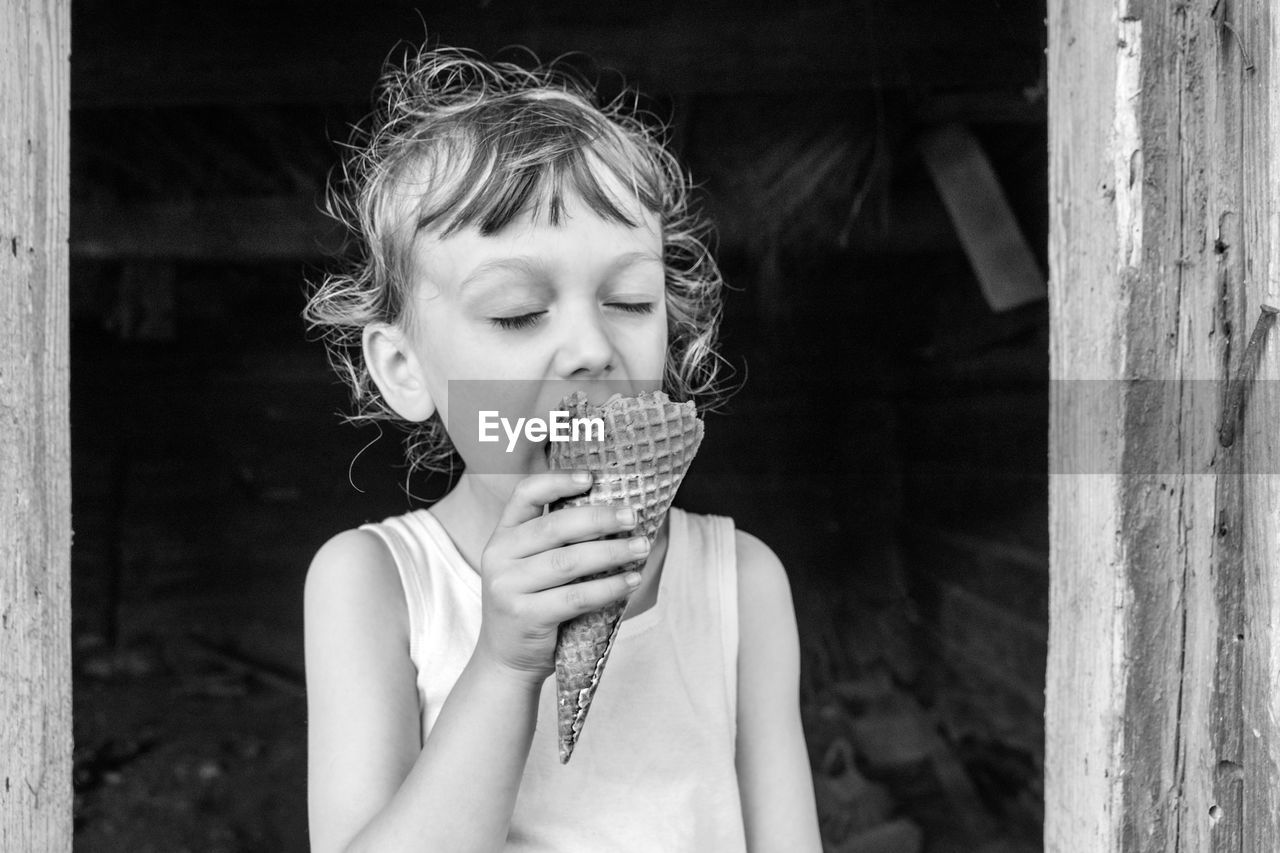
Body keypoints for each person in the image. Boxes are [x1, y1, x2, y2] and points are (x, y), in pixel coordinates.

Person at [302, 44, 821, 853]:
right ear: (404, 369)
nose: (590, 348)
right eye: (517, 312)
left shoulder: (741, 583)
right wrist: (503, 666)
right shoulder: (373, 585)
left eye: (630, 300)